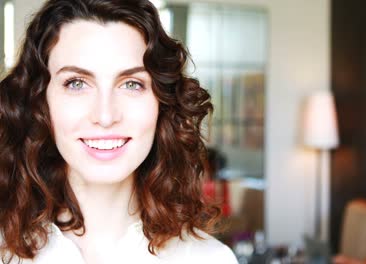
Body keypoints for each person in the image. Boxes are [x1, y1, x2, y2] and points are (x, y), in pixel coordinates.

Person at [0, 0, 238, 263]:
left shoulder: (210, 259)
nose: (105, 116)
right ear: (39, 102)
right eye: (76, 83)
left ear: (163, 103)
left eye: (132, 84)